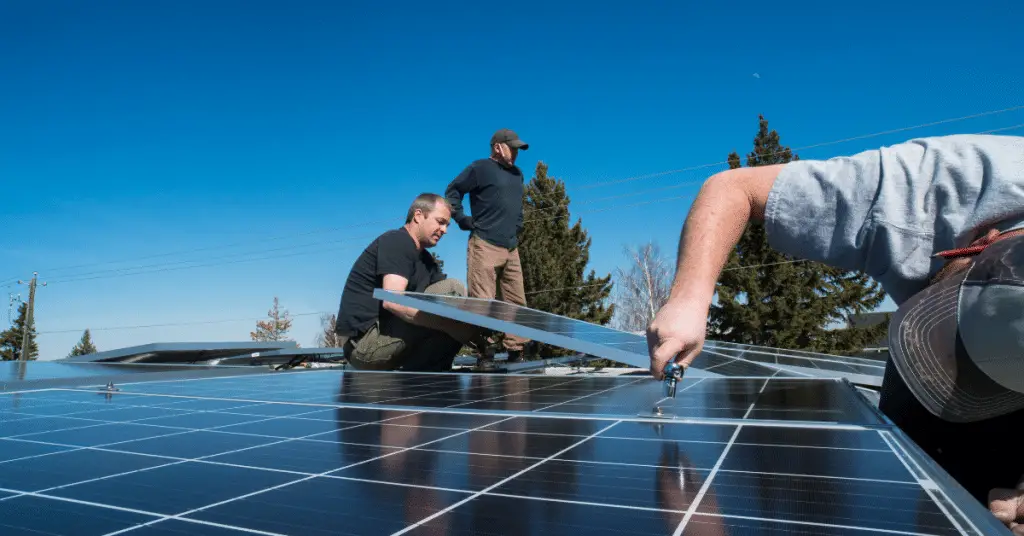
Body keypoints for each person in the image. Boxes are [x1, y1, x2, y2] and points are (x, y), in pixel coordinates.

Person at [645, 134, 1024, 532]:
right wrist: (689, 298)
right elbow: (733, 187)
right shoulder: (914, 187)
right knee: (920, 477)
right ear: (979, 244)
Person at [334, 193, 483, 372]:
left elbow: (457, 304)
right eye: (440, 222)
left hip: (391, 342)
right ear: (418, 216)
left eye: (447, 225)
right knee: (452, 289)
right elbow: (392, 302)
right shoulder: (396, 241)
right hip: (364, 348)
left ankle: (430, 372)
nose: (445, 230)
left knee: (454, 303)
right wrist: (451, 326)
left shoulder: (427, 262)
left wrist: (482, 326)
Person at [445, 128, 532, 368]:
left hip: (511, 247)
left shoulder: (517, 174)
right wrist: (462, 218)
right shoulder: (480, 168)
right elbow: (453, 191)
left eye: (518, 149)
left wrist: (518, 224)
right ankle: (486, 353)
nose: (515, 153)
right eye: (512, 147)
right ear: (497, 147)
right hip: (484, 243)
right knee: (483, 302)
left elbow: (517, 205)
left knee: (517, 301)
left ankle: (516, 351)